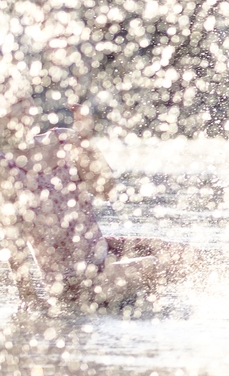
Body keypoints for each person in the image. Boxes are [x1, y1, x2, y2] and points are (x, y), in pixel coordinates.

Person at [0, 101, 181, 310]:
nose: (25, 106)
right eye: (15, 102)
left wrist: (85, 141)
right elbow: (12, 237)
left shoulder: (63, 140)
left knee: (184, 257)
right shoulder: (4, 165)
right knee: (151, 267)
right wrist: (28, 296)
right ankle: (146, 325)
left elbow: (107, 190)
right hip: (72, 282)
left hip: (103, 253)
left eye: (26, 99)